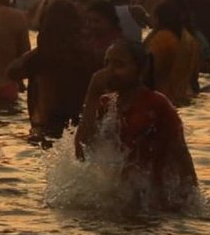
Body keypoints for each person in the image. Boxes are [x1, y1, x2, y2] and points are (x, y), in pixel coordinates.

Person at [75, 40, 197, 210]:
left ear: (141, 70)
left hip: (154, 198)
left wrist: (191, 199)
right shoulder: (104, 104)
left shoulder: (157, 104)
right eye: (106, 64)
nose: (109, 72)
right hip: (120, 197)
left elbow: (181, 153)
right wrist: (92, 96)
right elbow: (82, 151)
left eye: (118, 65)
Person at [7, 0, 96, 140]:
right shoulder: (86, 53)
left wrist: (36, 51)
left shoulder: (40, 58)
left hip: (45, 123)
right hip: (79, 120)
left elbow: (12, 72)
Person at [148, 1, 195, 106]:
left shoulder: (161, 39)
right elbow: (195, 73)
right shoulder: (190, 39)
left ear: (159, 18)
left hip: (164, 96)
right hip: (186, 95)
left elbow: (151, 71)